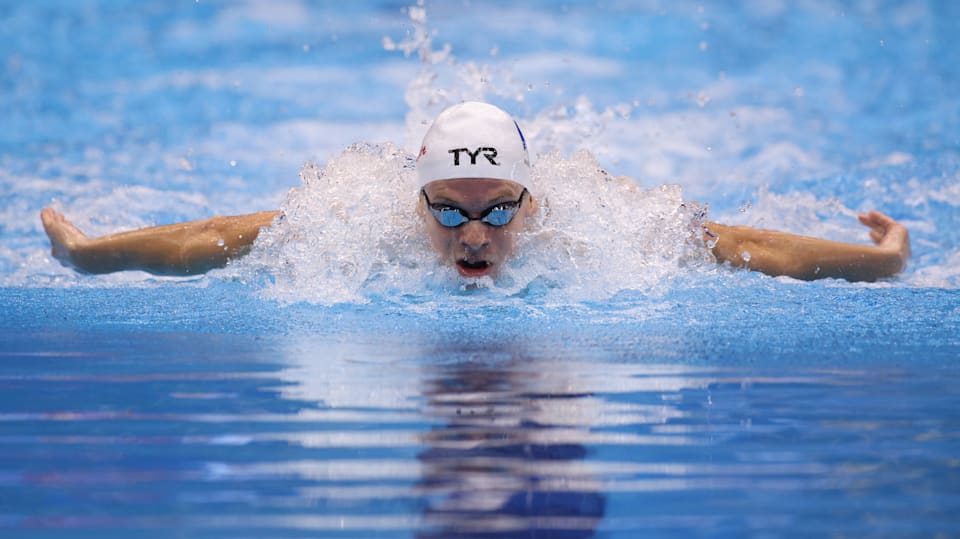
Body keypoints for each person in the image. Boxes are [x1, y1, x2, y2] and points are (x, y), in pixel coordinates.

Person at [40, 101, 911, 282]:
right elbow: (220, 235)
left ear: (531, 202)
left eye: (499, 210)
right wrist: (88, 255)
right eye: (448, 210)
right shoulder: (359, 220)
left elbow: (749, 247)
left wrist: (881, 262)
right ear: (415, 201)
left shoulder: (597, 227)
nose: (473, 238)